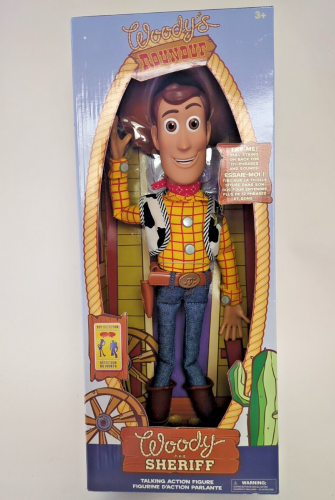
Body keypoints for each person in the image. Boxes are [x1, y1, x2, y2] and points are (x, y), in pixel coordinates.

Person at [108, 79, 249, 426]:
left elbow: (227, 253)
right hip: (168, 288)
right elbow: (121, 210)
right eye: (172, 126)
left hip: (199, 287)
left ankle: (212, 420)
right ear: (157, 137)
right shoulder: (155, 205)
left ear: (207, 133)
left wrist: (233, 301)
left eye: (193, 123)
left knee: (191, 360)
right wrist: (117, 162)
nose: (184, 143)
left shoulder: (212, 208)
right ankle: (156, 419)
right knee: (166, 359)